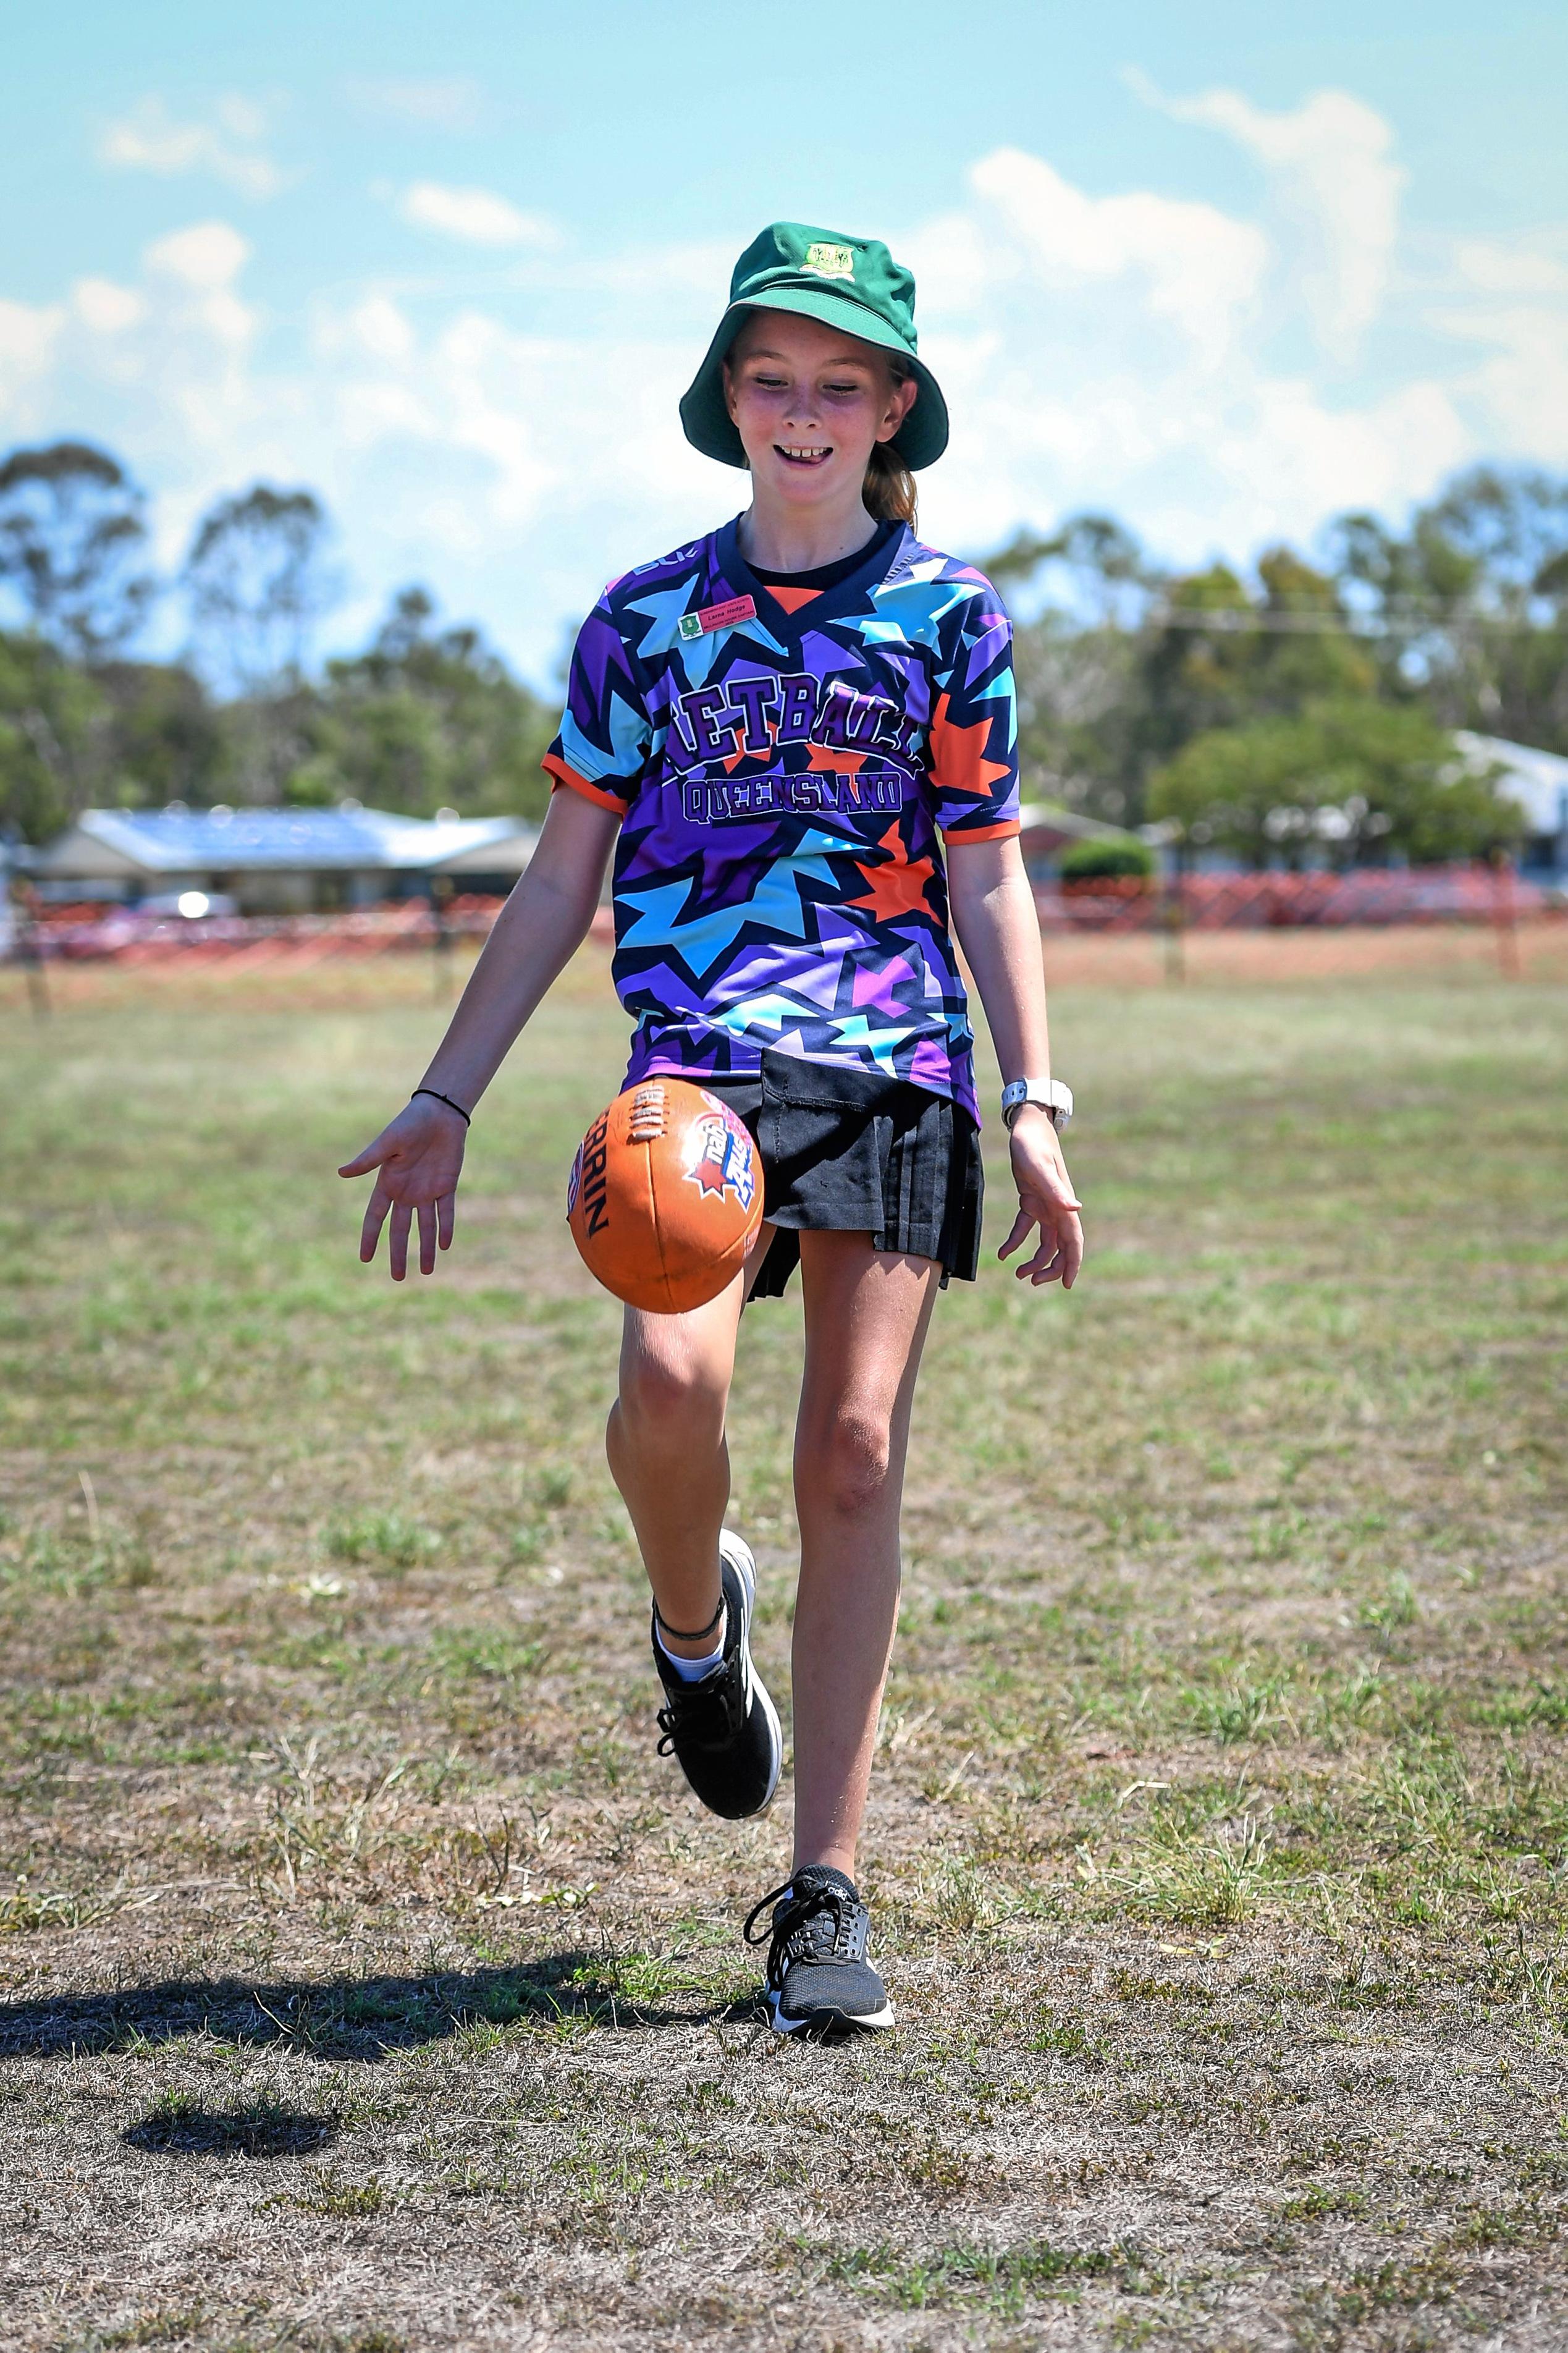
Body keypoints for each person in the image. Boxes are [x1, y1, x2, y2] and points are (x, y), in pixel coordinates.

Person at [340, 224, 1083, 2037]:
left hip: (895, 1060)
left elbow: (986, 881)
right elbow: (556, 876)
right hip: (691, 1072)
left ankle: (821, 1897)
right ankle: (695, 1635)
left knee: (851, 1453)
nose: (805, 412)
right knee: (671, 1395)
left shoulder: (951, 616)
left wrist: (1034, 1094)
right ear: (727, 401)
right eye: (774, 380)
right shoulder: (640, 618)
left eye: (842, 383)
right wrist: (448, 1092)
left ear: (892, 406)